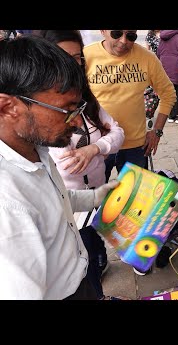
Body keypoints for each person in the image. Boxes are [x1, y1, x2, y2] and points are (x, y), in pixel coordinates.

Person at [0, 36, 119, 299]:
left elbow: (51, 201)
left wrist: (95, 197)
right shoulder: (7, 205)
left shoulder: (35, 149)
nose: (77, 124)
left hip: (79, 280)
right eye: (67, 110)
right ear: (9, 107)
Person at [36, 30, 126, 300]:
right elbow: (63, 164)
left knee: (98, 248)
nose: (72, 65)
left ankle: (100, 267)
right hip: (70, 210)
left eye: (77, 57)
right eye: (63, 57)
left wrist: (94, 149)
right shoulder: (42, 111)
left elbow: (117, 132)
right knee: (82, 264)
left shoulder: (87, 101)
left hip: (95, 195)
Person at [83, 30, 176, 182]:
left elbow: (168, 93)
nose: (123, 41)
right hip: (97, 145)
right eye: (116, 34)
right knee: (95, 199)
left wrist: (157, 131)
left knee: (135, 200)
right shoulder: (86, 55)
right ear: (103, 31)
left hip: (135, 146)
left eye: (131, 36)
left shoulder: (146, 58)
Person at [156, 30, 178, 123]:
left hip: (164, 66)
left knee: (169, 91)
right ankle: (176, 115)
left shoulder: (163, 36)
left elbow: (158, 52)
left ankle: (170, 115)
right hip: (177, 67)